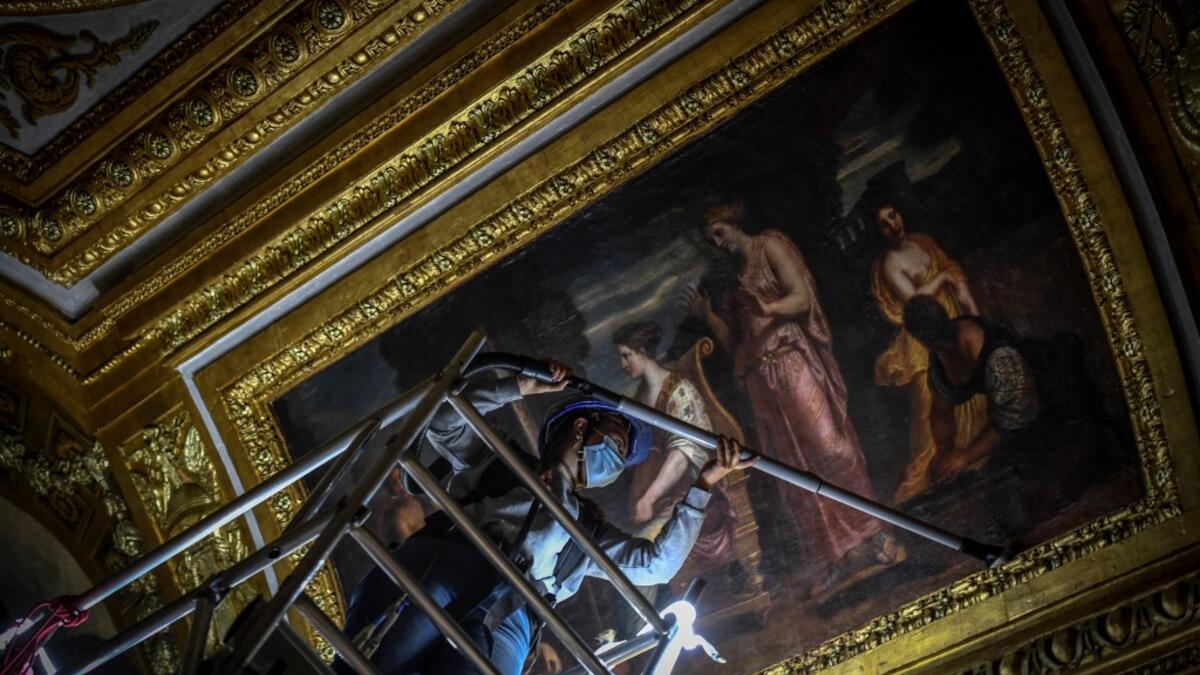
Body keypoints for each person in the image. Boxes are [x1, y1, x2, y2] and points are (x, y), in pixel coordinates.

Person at [337, 361, 753, 675]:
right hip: (451, 565)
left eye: (622, 457)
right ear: (582, 427)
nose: (617, 460)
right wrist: (518, 386)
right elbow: (446, 425)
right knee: (371, 659)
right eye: (617, 441)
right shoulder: (501, 465)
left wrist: (703, 485)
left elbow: (656, 565)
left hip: (513, 617)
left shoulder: (586, 533)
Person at [682, 201, 899, 598]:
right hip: (761, 381)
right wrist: (709, 315)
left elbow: (801, 298)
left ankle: (873, 534)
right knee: (793, 471)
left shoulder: (771, 247)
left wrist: (768, 305)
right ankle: (832, 556)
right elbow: (736, 344)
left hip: (792, 361)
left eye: (718, 231)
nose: (716, 242)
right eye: (710, 237)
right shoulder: (733, 285)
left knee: (831, 448)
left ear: (734, 222)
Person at [901, 295, 1105, 484]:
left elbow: (1013, 417)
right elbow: (942, 408)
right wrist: (944, 453)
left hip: (1052, 396)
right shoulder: (939, 353)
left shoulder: (1000, 357)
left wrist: (966, 456)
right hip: (1016, 414)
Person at [867, 197, 989, 500]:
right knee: (928, 401)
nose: (891, 225)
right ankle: (937, 473)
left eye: (892, 215)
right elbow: (915, 304)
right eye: (883, 224)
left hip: (952, 319)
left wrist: (973, 314)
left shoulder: (923, 241)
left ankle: (976, 458)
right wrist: (942, 277)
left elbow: (954, 276)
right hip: (923, 332)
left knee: (973, 384)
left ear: (900, 212)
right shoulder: (890, 264)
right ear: (878, 232)